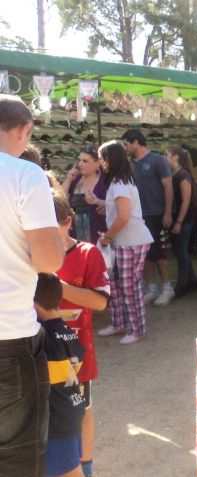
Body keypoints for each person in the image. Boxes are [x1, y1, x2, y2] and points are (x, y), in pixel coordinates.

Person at [0, 93, 64, 477]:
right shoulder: (25, 174)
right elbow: (49, 260)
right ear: (24, 130)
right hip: (10, 337)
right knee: (18, 462)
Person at [52, 194, 109, 477]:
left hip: (76, 353)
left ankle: (85, 468)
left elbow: (100, 302)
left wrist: (57, 286)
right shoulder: (27, 256)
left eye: (52, 227)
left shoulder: (87, 253)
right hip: (41, 350)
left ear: (68, 222)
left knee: (81, 408)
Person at [97, 140, 154, 345]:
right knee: (117, 284)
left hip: (131, 241)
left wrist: (107, 236)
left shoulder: (120, 183)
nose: (100, 162)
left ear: (109, 159)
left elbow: (123, 217)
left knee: (129, 286)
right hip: (123, 240)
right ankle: (120, 323)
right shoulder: (119, 181)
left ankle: (137, 329)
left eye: (102, 158)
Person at [34, 273, 86, 477]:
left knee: (70, 472)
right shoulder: (69, 332)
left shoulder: (43, 337)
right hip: (72, 410)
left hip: (55, 421)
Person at [121, 129, 175, 307]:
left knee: (158, 252)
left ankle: (167, 288)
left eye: (126, 144)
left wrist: (168, 212)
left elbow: (168, 186)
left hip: (156, 212)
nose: (125, 148)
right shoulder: (130, 164)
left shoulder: (157, 160)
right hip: (138, 214)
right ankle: (152, 288)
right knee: (144, 254)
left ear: (136, 142)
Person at [165, 146, 197, 298]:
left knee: (180, 250)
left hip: (184, 218)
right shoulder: (176, 174)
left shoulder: (183, 175)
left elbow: (186, 201)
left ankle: (183, 284)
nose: (165, 157)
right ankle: (192, 281)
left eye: (166, 154)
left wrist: (179, 222)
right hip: (179, 217)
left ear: (175, 157)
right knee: (180, 250)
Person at [61, 144, 107, 244]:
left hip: (98, 237)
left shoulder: (105, 181)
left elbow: (117, 205)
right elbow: (59, 199)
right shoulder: (75, 179)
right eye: (80, 160)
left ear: (98, 163)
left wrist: (104, 204)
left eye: (85, 161)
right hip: (75, 237)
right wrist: (69, 179)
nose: (80, 164)